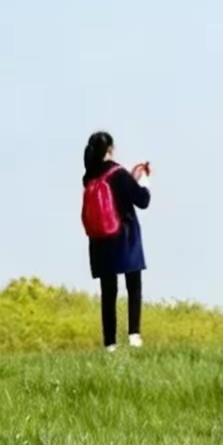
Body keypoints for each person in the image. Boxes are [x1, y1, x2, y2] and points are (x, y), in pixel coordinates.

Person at [81, 132, 151, 351]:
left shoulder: (89, 176)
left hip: (100, 239)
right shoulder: (118, 173)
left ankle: (110, 343)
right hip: (124, 236)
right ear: (110, 149)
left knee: (108, 291)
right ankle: (134, 335)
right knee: (133, 285)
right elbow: (142, 200)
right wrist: (143, 179)